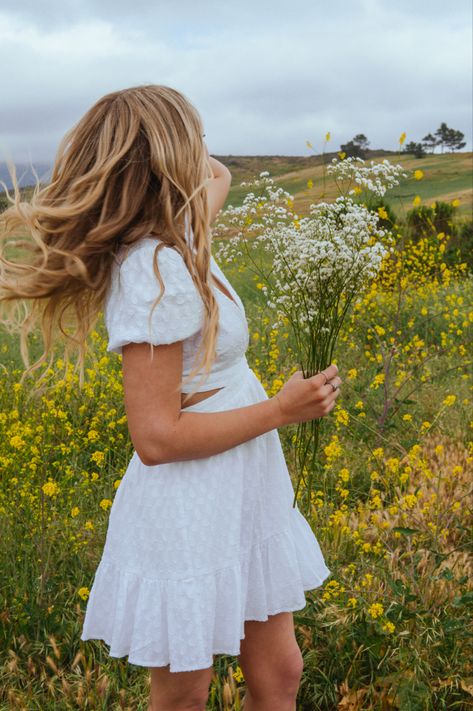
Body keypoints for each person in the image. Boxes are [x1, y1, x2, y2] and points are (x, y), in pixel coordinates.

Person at [0, 84, 342, 711]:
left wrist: (178, 146)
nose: (207, 151)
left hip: (243, 483)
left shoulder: (182, 236)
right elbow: (155, 438)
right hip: (190, 500)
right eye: (196, 138)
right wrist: (281, 411)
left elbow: (215, 179)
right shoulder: (153, 271)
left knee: (281, 671)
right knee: (186, 691)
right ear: (166, 160)